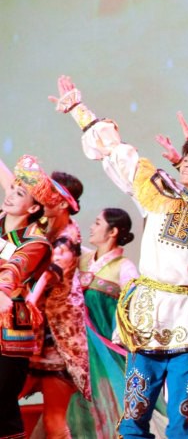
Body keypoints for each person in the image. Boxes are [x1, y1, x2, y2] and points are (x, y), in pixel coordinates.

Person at [49, 74, 188, 438]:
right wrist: (79, 110)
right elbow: (118, 152)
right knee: (135, 412)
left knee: (186, 415)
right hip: (147, 316)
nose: (185, 164)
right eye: (185, 159)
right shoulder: (158, 193)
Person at [23, 171, 91, 439]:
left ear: (62, 202)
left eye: (48, 193)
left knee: (54, 419)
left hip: (59, 337)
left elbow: (51, 273)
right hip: (34, 332)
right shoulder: (40, 227)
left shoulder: (68, 236)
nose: (41, 197)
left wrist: (31, 296)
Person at [64, 208, 138, 436]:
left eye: (97, 223)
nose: (91, 227)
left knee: (108, 401)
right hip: (76, 347)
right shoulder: (82, 258)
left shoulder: (124, 267)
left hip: (105, 349)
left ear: (113, 231)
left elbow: (134, 307)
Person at [0, 155, 54, 439]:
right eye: (11, 189)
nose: (10, 195)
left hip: (9, 329)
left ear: (33, 208)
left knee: (2, 406)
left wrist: (2, 290)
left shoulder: (36, 242)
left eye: (19, 193)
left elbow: (15, 268)